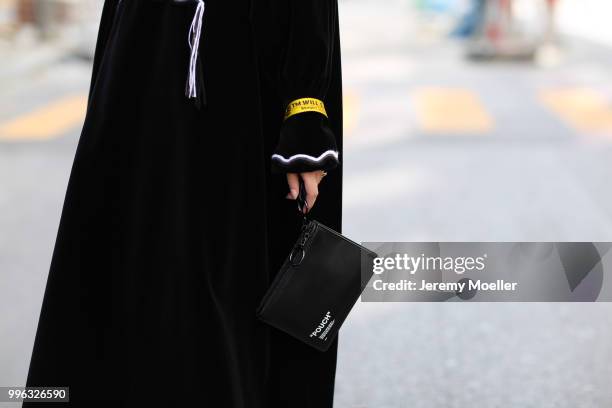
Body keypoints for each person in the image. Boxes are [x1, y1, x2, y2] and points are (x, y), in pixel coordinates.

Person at [23, 0, 343, 406]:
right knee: (130, 270)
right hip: (142, 62)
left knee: (233, 288)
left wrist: (305, 106)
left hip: (243, 81)